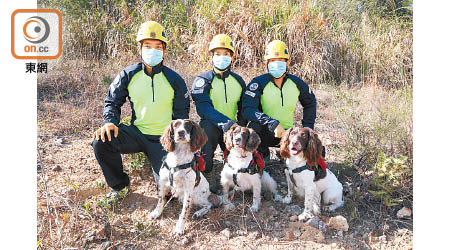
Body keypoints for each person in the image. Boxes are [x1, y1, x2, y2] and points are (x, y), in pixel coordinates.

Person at [91, 21, 190, 198]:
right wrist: (110, 122)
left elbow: (181, 116)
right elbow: (112, 101)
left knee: (171, 194)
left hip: (163, 139)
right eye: (147, 46)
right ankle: (119, 187)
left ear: (164, 51)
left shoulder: (175, 80)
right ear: (140, 48)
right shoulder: (128, 75)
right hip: (136, 134)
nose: (152, 51)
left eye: (158, 47)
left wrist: (178, 146)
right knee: (102, 141)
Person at [242, 40, 317, 163]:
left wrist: (308, 127)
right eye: (272, 61)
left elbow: (310, 103)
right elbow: (248, 109)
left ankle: (284, 152)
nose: (276, 64)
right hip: (265, 131)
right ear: (266, 63)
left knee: (317, 152)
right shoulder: (258, 83)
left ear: (288, 62)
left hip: (289, 134)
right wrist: (272, 123)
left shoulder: (296, 83)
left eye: (281, 60)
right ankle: (262, 154)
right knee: (252, 129)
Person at [191, 34, 247, 193]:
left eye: (226, 54)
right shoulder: (203, 80)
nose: (222, 58)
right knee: (205, 144)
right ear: (211, 56)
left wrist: (240, 127)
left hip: (233, 128)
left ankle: (231, 172)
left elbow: (243, 108)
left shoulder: (238, 81)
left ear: (232, 57)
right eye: (217, 54)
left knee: (237, 156)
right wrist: (228, 123)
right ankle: (207, 173)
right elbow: (203, 108)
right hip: (212, 126)